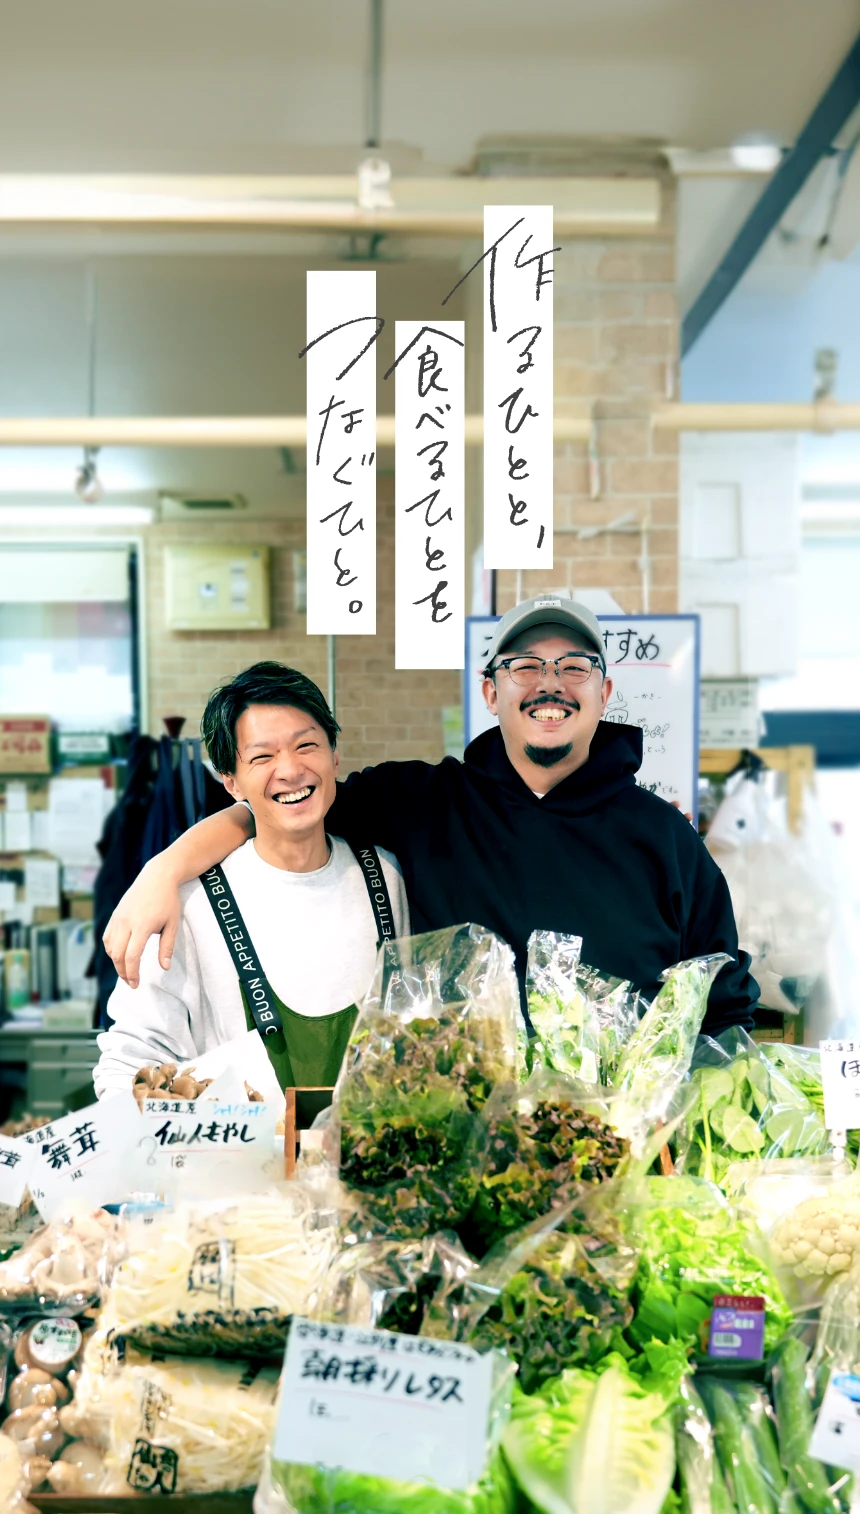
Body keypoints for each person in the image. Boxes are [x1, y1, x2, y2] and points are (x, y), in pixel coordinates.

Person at [103, 596, 758, 1036]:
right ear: (490, 691)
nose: (549, 683)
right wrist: (163, 870)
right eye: (525, 665)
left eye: (574, 667)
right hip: (459, 1152)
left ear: (605, 691)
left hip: (622, 1158)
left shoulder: (666, 838)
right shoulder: (420, 802)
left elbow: (723, 1004)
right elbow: (283, 805)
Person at [94, 662, 408, 1097]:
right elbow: (129, 1061)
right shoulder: (186, 903)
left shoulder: (386, 877)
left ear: (335, 755)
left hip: (375, 1158)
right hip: (240, 1162)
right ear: (231, 783)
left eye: (307, 746)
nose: (290, 770)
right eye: (262, 756)